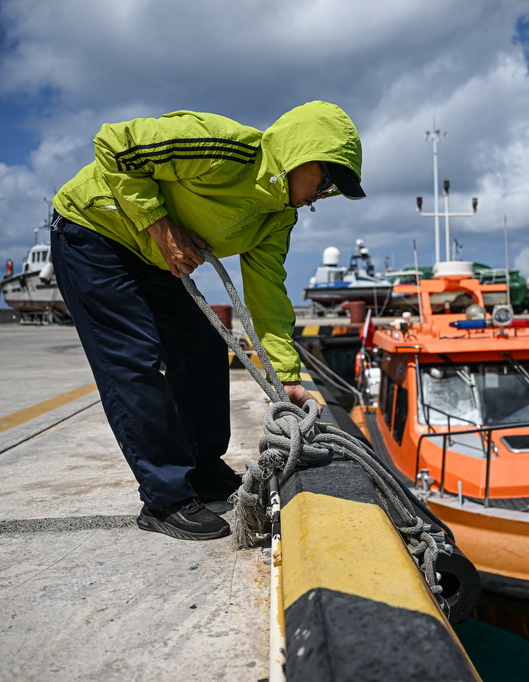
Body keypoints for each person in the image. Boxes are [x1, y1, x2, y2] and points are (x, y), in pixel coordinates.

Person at [50, 101, 365, 541]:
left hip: (154, 258)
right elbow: (116, 144)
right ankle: (165, 498)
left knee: (204, 348)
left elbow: (267, 295)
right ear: (301, 154)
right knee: (134, 360)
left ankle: (203, 471)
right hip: (94, 231)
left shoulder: (278, 217)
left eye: (334, 190)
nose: (324, 194)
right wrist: (160, 225)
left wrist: (286, 377)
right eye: (327, 180)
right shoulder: (226, 149)